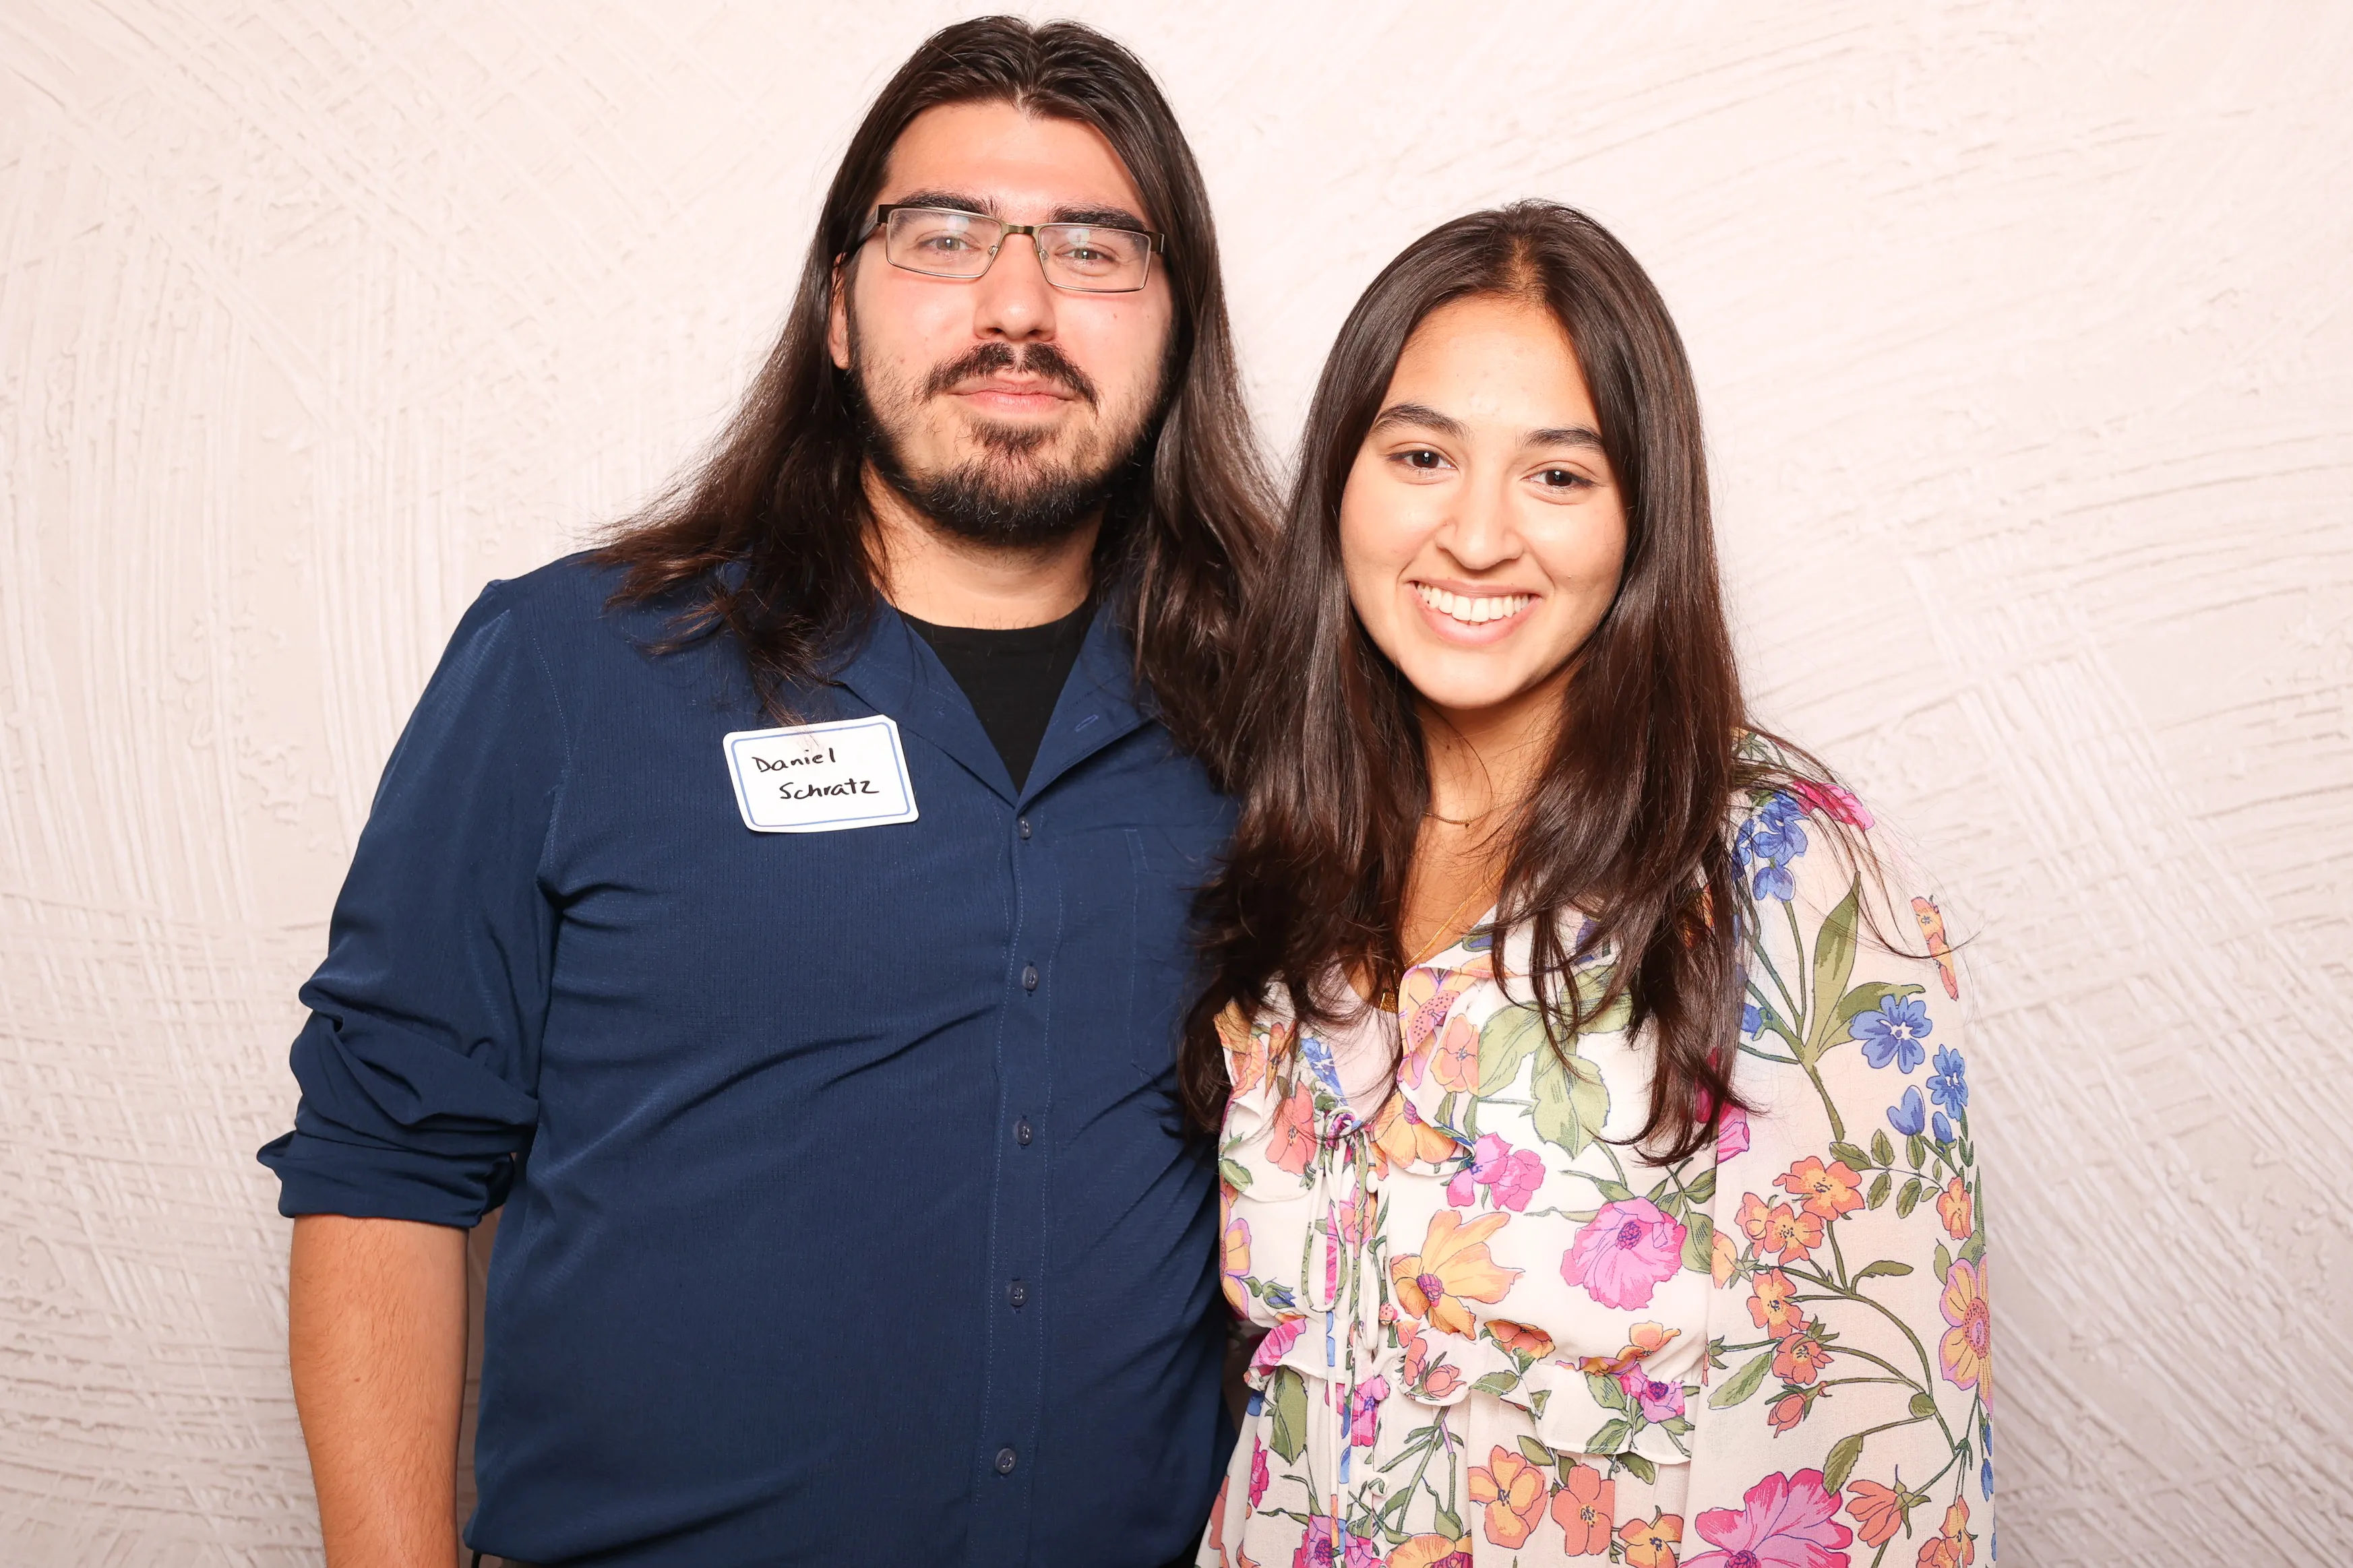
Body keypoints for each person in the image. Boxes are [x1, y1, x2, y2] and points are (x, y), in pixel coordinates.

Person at [258, 17, 1269, 1567]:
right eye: (942, 236)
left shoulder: (1279, 722)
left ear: (1175, 322)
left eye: (1092, 249)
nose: (1016, 304)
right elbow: (386, 1161)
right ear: (839, 312)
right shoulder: (570, 666)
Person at [1188, 203, 1992, 1568]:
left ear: (1639, 519)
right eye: (1421, 455)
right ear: (1340, 479)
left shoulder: (1777, 867)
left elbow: (1878, 1465)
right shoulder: (1300, 853)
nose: (1477, 534)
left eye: (1557, 475)